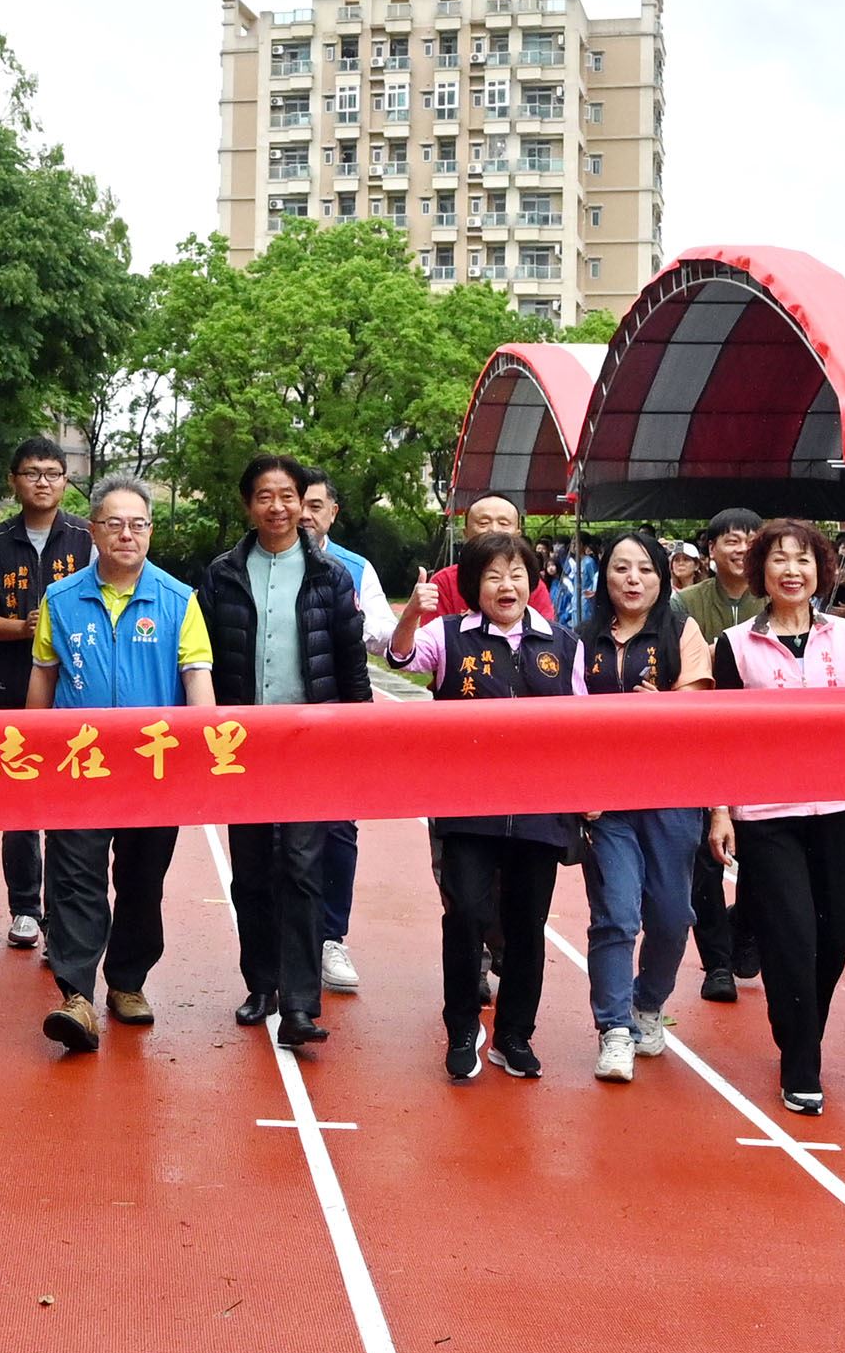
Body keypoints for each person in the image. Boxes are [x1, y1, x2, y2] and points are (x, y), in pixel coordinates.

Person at [706, 521, 845, 1114]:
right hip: (766, 815)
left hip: (836, 811)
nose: (792, 570)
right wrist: (720, 811)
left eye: (803, 559)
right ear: (761, 573)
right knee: (793, 937)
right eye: (779, 560)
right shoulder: (736, 644)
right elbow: (718, 737)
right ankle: (801, 1062)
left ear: (821, 570)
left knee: (832, 935)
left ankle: (801, 1028)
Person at [29, 474, 215, 1054]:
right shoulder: (59, 601)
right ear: (93, 530)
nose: (126, 534)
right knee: (74, 880)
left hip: (152, 772)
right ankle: (76, 996)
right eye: (113, 523)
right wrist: (35, 756)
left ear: (151, 532)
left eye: (137, 524)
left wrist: (198, 755)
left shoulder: (180, 601)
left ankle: (128, 982)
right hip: (78, 769)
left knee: (141, 882)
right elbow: (43, 678)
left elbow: (198, 683)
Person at [387, 529, 582, 1082]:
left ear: (532, 583)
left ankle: (515, 1035)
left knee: (526, 925)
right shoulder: (448, 636)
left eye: (517, 574)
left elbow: (584, 726)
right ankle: (462, 1029)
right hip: (468, 807)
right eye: (494, 575)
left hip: (541, 809)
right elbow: (399, 658)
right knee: (467, 915)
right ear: (475, 585)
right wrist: (411, 615)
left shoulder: (562, 643)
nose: (507, 584)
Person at [201, 454, 372, 1051]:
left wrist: (356, 738)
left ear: (304, 504)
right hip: (242, 744)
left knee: (303, 867)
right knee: (250, 871)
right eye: (264, 496)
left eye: (288, 496)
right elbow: (204, 663)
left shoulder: (331, 575)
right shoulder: (222, 574)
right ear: (248, 505)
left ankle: (300, 1004)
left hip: (311, 744)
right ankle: (262, 983)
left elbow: (351, 664)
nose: (277, 506)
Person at [576, 529, 713, 1081]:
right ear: (604, 577)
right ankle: (613, 1028)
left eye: (645, 570)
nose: (633, 580)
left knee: (672, 916)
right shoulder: (579, 637)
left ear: (663, 576)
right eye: (620, 569)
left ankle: (647, 1002)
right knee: (616, 914)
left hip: (670, 795)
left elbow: (699, 703)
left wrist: (666, 707)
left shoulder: (682, 630)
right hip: (604, 802)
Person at [0, 437, 95, 952]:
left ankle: (65, 912)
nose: (42, 481)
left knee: (73, 806)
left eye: (52, 472)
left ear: (66, 480)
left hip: (80, 691)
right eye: (31, 472)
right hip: (12, 689)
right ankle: (24, 907)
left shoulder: (89, 539)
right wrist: (25, 628)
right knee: (20, 805)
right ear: (13, 480)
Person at [296, 467, 392, 995]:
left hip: (339, 719)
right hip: (279, 720)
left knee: (337, 829)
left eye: (316, 505)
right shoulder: (266, 564)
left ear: (333, 512)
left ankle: (332, 937)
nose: (305, 514)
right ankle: (277, 948)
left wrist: (346, 612)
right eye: (297, 502)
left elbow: (379, 636)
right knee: (273, 831)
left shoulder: (354, 568)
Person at [673, 506, 766, 995]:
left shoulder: (774, 598)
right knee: (705, 857)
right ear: (710, 550)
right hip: (702, 742)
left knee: (763, 849)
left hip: (760, 747)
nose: (742, 548)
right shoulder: (683, 603)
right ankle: (717, 962)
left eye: (752, 538)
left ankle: (745, 925)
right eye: (731, 539)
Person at [427, 492, 556, 626]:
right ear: (466, 534)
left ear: (518, 535)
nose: (494, 530)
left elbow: (545, 638)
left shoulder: (529, 583)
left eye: (503, 523)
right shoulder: (443, 582)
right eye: (483, 523)